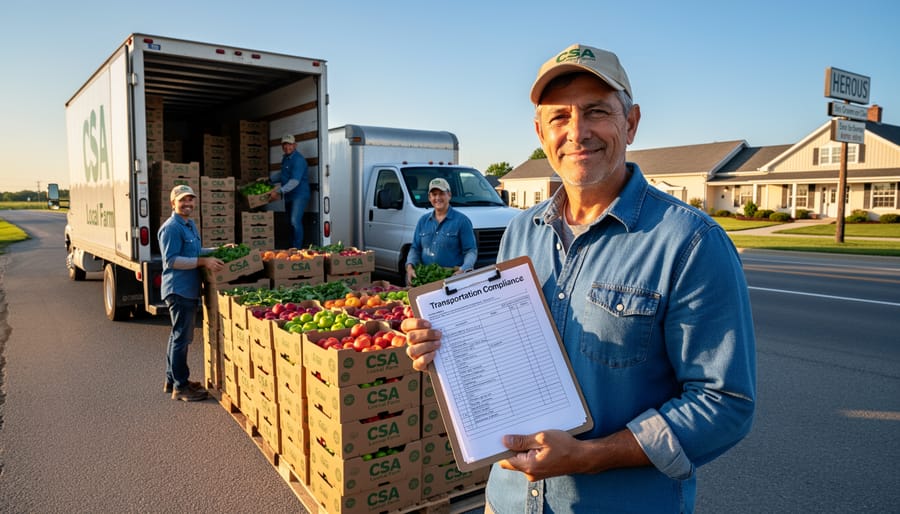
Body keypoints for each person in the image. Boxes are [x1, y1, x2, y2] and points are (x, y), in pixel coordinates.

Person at [402, 43, 756, 513]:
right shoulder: (520, 233)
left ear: (630, 123)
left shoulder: (691, 242)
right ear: (540, 132)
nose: (577, 132)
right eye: (559, 117)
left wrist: (590, 457)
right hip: (507, 501)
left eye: (596, 111)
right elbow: (500, 350)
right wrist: (446, 349)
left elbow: (723, 402)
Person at [158, 184, 225, 402]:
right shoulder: (171, 228)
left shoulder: (189, 225)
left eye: (190, 200)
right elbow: (172, 260)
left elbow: (196, 251)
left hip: (187, 289)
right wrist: (203, 261)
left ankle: (172, 380)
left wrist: (219, 250)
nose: (187, 204)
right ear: (173, 203)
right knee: (182, 338)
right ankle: (181, 386)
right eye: (182, 200)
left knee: (177, 335)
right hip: (179, 290)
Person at [405, 177, 477, 285]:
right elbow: (415, 248)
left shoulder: (462, 221)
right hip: (426, 278)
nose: (437, 198)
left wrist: (464, 269)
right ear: (429, 197)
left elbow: (470, 250)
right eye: (434, 194)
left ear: (449, 195)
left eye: (441, 193)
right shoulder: (423, 221)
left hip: (452, 279)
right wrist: (410, 267)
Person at [268, 134, 311, 249]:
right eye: (285, 144)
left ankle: (297, 249)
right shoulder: (285, 159)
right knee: (289, 222)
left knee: (294, 221)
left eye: (290, 144)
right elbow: (282, 174)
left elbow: (294, 181)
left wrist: (279, 192)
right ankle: (291, 247)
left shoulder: (298, 160)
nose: (287, 147)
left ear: (295, 145)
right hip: (289, 195)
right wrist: (269, 180)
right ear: (282, 146)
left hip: (299, 195)